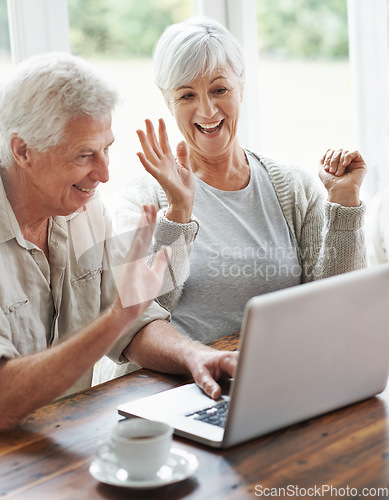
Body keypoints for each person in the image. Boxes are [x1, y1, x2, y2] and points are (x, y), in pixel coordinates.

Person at [0, 52, 237, 431]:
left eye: (107, 148)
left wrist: (195, 356)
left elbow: (134, 322)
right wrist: (115, 319)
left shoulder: (85, 210)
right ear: (23, 150)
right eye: (84, 155)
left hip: (65, 440)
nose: (104, 174)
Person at [113, 17, 367, 347]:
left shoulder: (293, 189)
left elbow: (340, 308)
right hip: (177, 386)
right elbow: (138, 318)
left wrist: (344, 202)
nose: (206, 110)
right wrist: (178, 212)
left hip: (279, 376)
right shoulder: (138, 199)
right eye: (187, 95)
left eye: (220, 89)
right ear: (167, 100)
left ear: (241, 88)